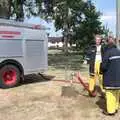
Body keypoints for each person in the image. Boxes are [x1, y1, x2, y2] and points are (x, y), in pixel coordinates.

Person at [101, 36, 120, 115]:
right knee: (117, 93)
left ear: (108, 42)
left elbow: (104, 66)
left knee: (110, 94)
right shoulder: (119, 51)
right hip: (119, 78)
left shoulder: (107, 52)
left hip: (110, 78)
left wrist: (101, 68)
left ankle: (110, 111)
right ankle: (116, 108)